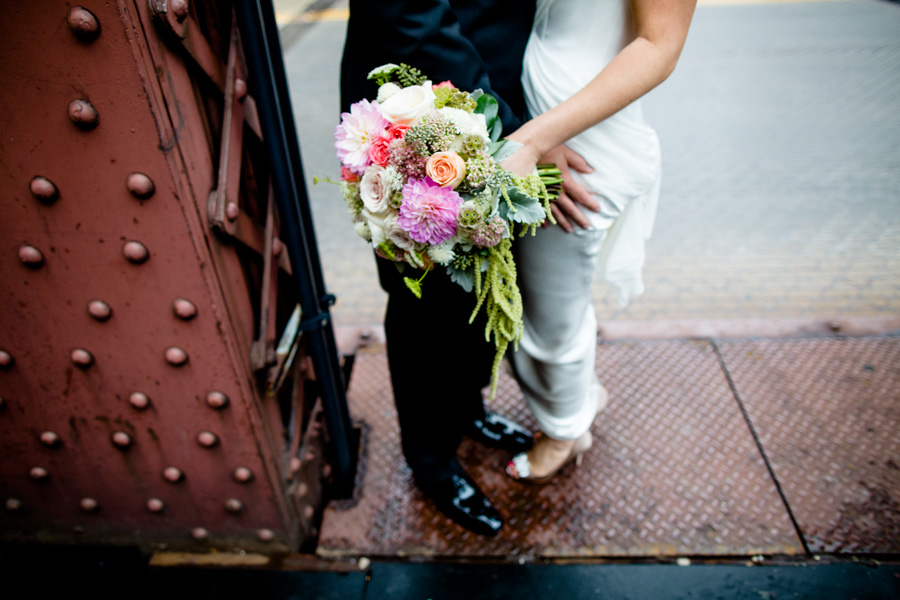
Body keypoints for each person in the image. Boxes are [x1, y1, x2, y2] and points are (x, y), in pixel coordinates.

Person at [340, 0, 562, 537]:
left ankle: (467, 411)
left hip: (510, 93)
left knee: (482, 276)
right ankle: (431, 461)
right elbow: (404, 16)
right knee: (426, 300)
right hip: (422, 102)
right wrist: (516, 133)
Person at [501, 0, 697, 483]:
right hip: (541, 130)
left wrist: (533, 139)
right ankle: (579, 400)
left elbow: (660, 45)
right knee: (540, 300)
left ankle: (566, 432)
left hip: (578, 139)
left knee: (547, 316)